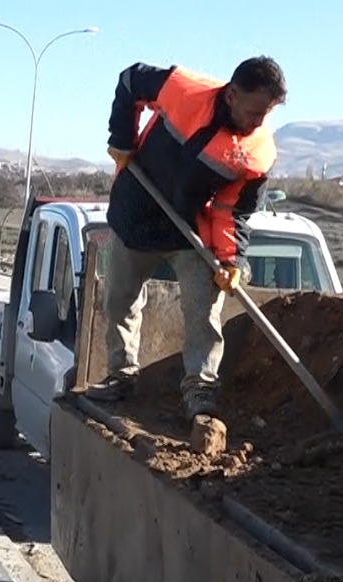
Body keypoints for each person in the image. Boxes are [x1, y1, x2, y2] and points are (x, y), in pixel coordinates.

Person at [86, 56, 285, 422]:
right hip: (137, 209)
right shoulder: (183, 89)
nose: (259, 122)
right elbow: (130, 81)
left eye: (267, 114)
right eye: (255, 111)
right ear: (232, 95)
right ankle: (121, 376)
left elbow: (233, 211)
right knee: (119, 301)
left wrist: (230, 261)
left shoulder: (258, 153)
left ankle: (201, 388)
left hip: (188, 228)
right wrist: (122, 139)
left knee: (204, 306)